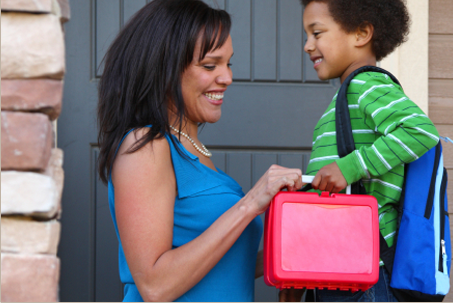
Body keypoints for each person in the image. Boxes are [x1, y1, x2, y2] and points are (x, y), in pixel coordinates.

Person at [97, 0, 303, 301]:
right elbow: (156, 285)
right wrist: (249, 205)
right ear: (164, 68)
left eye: (228, 63)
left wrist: (290, 261)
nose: (227, 78)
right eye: (210, 65)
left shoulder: (191, 151)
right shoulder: (146, 146)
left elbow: (221, 267)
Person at [280, 0, 439, 302]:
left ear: (361, 33)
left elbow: (420, 130)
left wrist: (351, 167)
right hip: (340, 267)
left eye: (317, 33)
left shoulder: (366, 84)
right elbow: (329, 201)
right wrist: (300, 269)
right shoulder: (346, 97)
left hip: (365, 274)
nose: (307, 45)